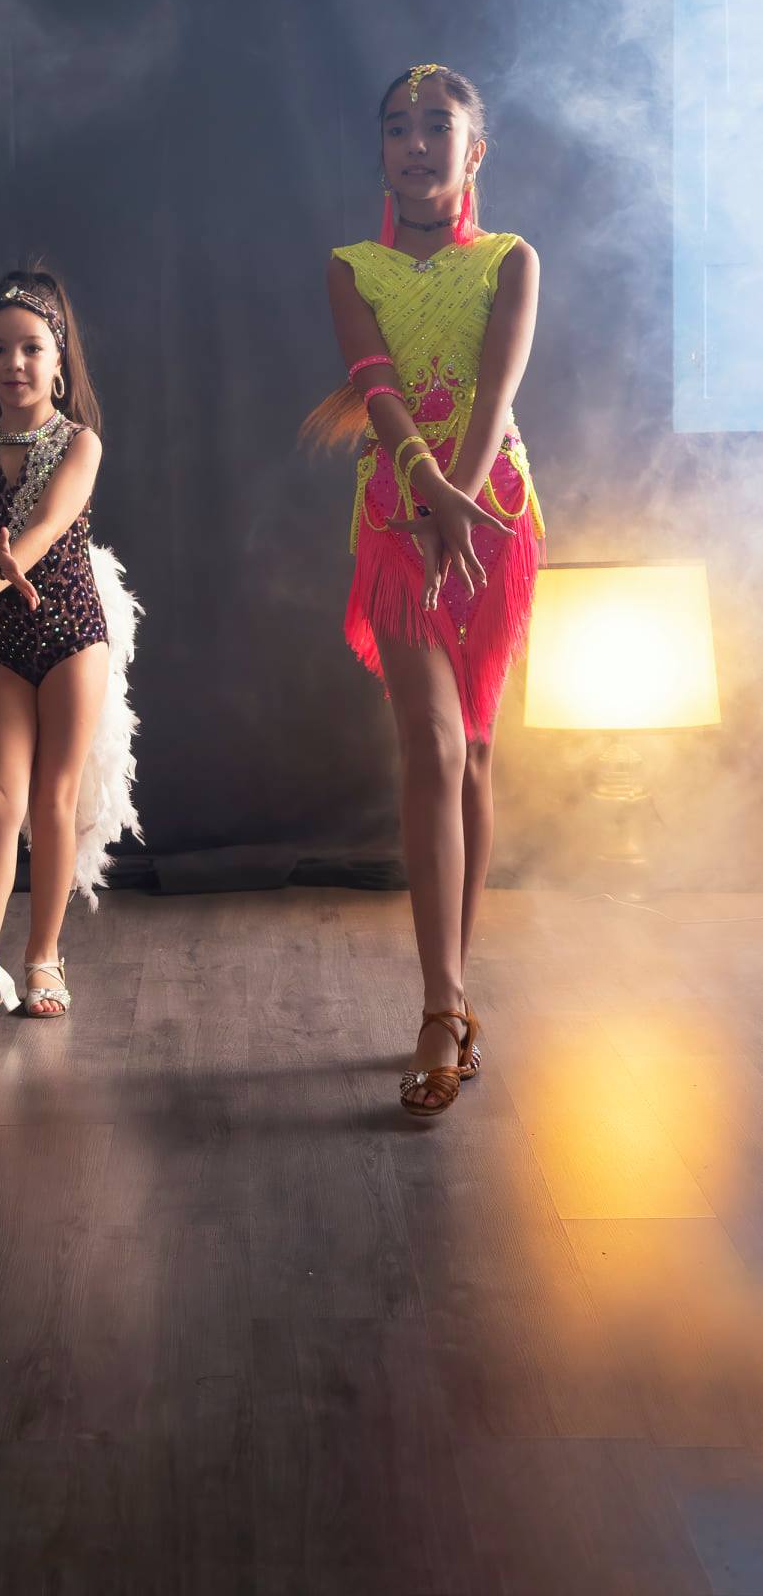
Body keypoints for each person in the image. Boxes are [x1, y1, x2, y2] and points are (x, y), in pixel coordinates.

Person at [307, 64, 543, 1118]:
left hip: (493, 520)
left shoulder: (511, 259)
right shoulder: (350, 268)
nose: (414, 144)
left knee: (477, 752)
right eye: (397, 128)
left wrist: (462, 500)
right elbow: (377, 387)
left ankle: (454, 992)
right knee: (434, 745)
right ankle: (441, 1007)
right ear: (381, 153)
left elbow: (496, 393)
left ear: (473, 151)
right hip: (397, 519)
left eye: (436, 127)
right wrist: (426, 492)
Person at [0, 271, 140, 1044]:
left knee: (53, 804)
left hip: (73, 631)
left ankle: (44, 957)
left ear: (59, 359)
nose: (14, 363)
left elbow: (45, 530)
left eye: (31, 348)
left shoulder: (81, 443)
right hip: (8, 643)